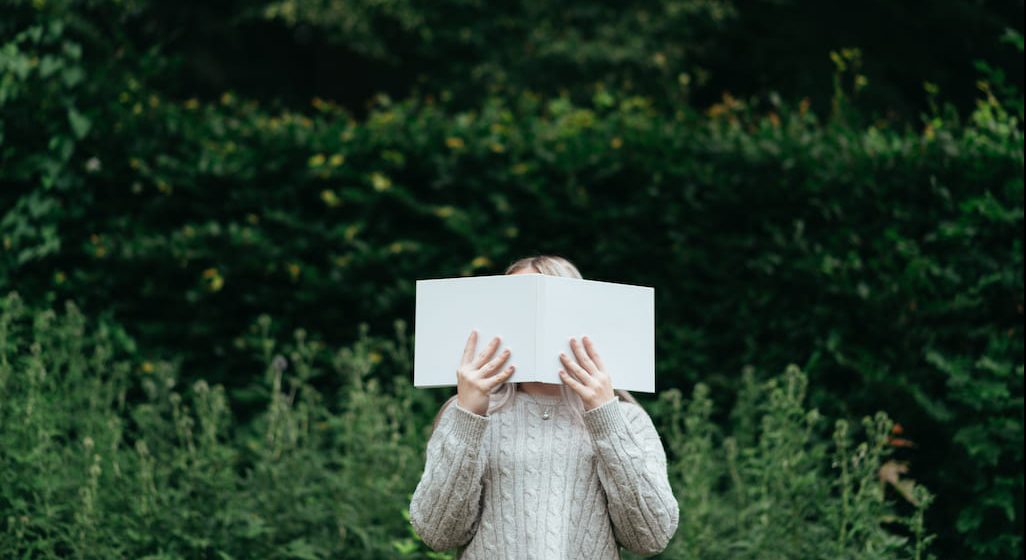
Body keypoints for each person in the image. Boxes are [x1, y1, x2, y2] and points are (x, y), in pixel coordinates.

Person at [409, 255, 679, 559]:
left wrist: (605, 415)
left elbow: (652, 536)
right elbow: (436, 533)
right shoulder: (467, 415)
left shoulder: (627, 419)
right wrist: (469, 416)